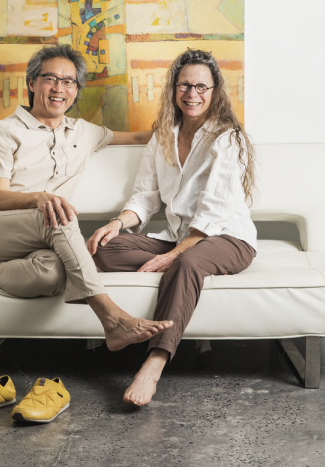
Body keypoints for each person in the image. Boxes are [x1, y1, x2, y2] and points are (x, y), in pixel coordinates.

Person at [0, 45, 172, 354]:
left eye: (69, 81)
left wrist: (192, 123)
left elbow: (141, 137)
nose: (59, 88)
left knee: (54, 273)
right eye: (50, 78)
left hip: (41, 240)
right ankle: (112, 318)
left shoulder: (84, 132)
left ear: (76, 90)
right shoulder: (2, 131)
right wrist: (39, 198)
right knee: (59, 214)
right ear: (32, 83)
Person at [87, 49, 257, 406]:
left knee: (186, 263)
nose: (192, 94)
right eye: (184, 85)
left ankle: (154, 362)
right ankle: (178, 267)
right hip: (180, 237)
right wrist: (117, 223)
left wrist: (175, 256)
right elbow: (146, 197)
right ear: (174, 89)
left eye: (201, 86)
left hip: (227, 237)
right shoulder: (163, 136)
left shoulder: (227, 138)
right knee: (104, 248)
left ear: (214, 91)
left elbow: (214, 212)